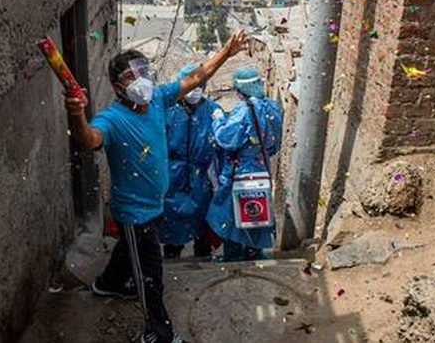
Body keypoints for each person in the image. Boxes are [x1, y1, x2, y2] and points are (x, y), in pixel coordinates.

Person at [64, 31, 249, 343]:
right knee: (150, 276)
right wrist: (76, 114)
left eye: (143, 72)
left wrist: (226, 52)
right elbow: (89, 139)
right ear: (117, 87)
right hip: (135, 213)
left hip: (155, 204)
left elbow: (196, 76)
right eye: (130, 76)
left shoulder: (159, 100)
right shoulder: (112, 118)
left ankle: (108, 283)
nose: (140, 81)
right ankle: (158, 333)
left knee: (129, 250)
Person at [206, 65, 283, 262]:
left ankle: (233, 255)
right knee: (257, 209)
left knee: (230, 211)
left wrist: (218, 120)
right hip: (261, 166)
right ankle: (255, 252)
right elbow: (274, 143)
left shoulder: (243, 110)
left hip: (240, 168)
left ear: (240, 89)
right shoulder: (272, 107)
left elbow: (226, 139)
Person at [160, 64, 222, 259]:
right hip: (172, 174)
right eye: (191, 86)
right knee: (172, 220)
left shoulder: (213, 111)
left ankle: (202, 255)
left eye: (199, 86)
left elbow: (223, 145)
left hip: (201, 176)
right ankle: (172, 253)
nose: (195, 91)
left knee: (202, 220)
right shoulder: (167, 110)